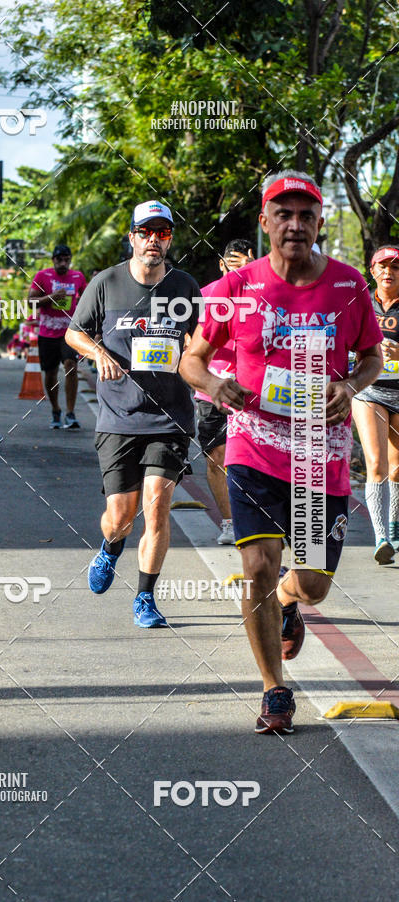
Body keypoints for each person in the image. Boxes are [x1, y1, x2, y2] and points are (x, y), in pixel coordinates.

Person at [179, 171, 383, 734]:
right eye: (283, 214)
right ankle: (274, 690)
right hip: (255, 450)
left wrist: (352, 385)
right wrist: (215, 385)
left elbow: (372, 356)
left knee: (313, 582)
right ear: (265, 222)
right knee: (257, 566)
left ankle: (292, 602)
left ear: (319, 223)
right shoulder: (233, 290)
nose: (295, 225)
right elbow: (191, 359)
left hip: (321, 457)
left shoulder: (348, 286)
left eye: (305, 215)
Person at [65, 200, 200, 628]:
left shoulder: (185, 287)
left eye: (162, 233)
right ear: (132, 237)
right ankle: (109, 549)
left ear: (170, 239)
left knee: (157, 509)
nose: (153, 241)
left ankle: (145, 596)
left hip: (171, 418)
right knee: (120, 517)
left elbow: (202, 340)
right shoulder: (106, 283)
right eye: (146, 232)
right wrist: (99, 351)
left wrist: (197, 360)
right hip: (118, 417)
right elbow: (73, 332)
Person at [197, 240, 255, 544]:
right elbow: (191, 346)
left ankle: (262, 520)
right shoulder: (205, 295)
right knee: (216, 456)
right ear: (221, 265)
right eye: (233, 264)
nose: (239, 270)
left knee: (252, 460)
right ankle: (230, 523)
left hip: (254, 391)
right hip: (213, 389)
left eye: (245, 263)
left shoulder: (265, 293)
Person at [352, 245, 399, 563]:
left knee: (397, 468)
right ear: (372, 271)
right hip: (369, 390)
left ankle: (395, 527)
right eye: (382, 266)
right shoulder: (360, 304)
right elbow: (342, 344)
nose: (388, 271)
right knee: (377, 463)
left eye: (395, 267)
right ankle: (381, 536)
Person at [28, 245, 87, 429]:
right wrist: (50, 298)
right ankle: (56, 409)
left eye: (66, 260)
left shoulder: (78, 277)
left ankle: (70, 412)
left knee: (71, 366)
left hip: (69, 332)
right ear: (53, 260)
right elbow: (30, 302)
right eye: (59, 260)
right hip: (47, 333)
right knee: (50, 373)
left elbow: (88, 300)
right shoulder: (42, 276)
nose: (63, 263)